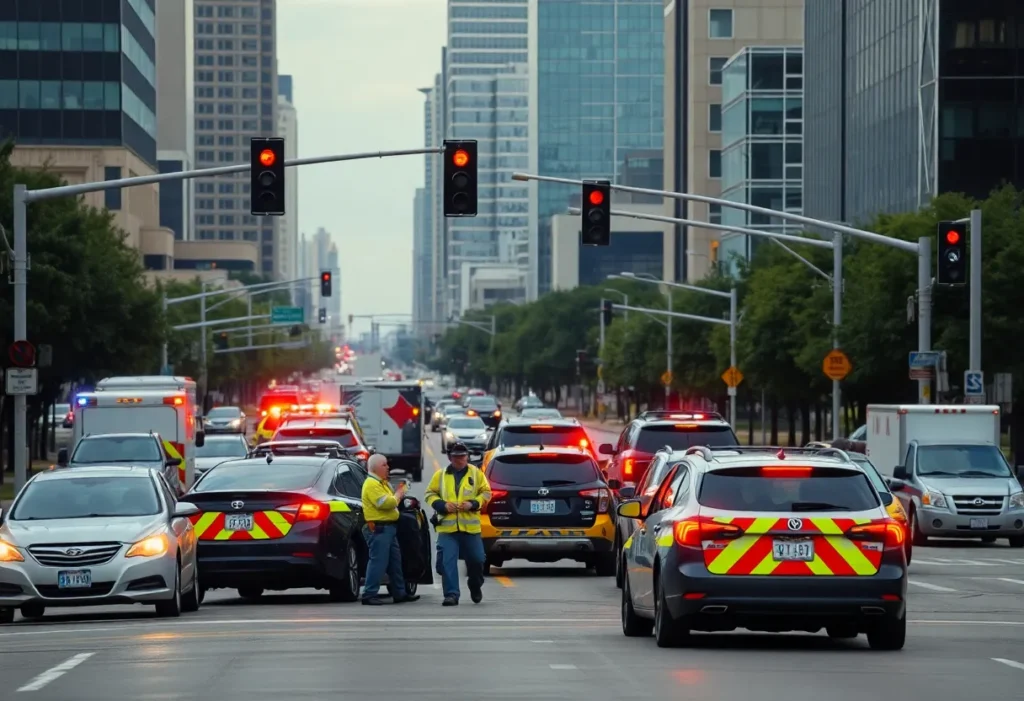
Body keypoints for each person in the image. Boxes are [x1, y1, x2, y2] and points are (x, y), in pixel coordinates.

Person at [424, 441, 492, 606]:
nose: (459, 459)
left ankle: (475, 585)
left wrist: (473, 504)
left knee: (477, 560)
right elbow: (429, 494)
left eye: (462, 456)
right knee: (448, 562)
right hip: (448, 529)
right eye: (456, 456)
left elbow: (486, 493)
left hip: (470, 528)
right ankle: (451, 594)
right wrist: (442, 505)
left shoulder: (476, 474)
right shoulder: (440, 475)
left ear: (467, 456)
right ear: (449, 457)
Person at [359, 453, 420, 605]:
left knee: (395, 562)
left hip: (388, 529)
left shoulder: (381, 483)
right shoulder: (372, 484)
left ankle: (400, 593)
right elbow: (386, 503)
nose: (388, 467)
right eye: (384, 465)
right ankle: (369, 594)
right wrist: (399, 494)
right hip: (380, 529)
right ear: (375, 467)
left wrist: (397, 494)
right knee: (378, 562)